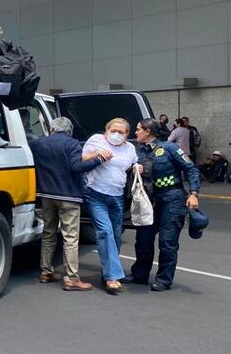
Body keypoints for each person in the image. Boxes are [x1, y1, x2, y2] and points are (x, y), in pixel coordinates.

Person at [30, 117, 109, 291]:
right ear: (69, 129)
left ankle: (45, 271)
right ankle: (71, 278)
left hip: (45, 194)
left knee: (48, 232)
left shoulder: (38, 143)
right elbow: (76, 167)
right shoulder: (71, 143)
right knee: (70, 237)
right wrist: (99, 160)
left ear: (51, 128)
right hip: (68, 195)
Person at [126, 118, 200, 291]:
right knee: (143, 240)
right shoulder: (138, 152)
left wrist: (194, 193)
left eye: (138, 129)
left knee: (168, 242)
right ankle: (140, 274)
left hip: (171, 199)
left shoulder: (170, 148)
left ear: (148, 131)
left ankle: (164, 279)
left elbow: (191, 169)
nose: (135, 132)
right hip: (148, 201)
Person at [82, 118, 139, 294]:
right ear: (106, 130)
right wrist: (97, 155)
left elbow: (134, 162)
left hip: (117, 196)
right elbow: (81, 159)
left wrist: (138, 166)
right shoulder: (96, 140)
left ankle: (107, 271)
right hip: (96, 193)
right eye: (113, 130)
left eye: (121, 132)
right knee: (104, 232)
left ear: (127, 135)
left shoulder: (129, 148)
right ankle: (112, 277)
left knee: (115, 235)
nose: (116, 134)